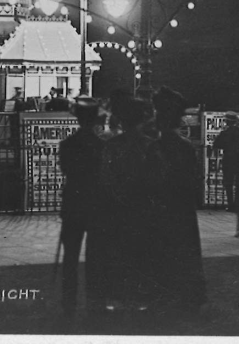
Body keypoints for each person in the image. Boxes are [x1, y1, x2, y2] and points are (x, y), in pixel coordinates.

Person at [146, 86, 207, 315]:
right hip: (181, 208)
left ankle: (165, 293)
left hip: (162, 207)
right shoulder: (185, 147)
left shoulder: (154, 147)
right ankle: (188, 294)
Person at [99, 94, 157, 313]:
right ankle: (141, 296)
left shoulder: (113, 145)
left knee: (119, 253)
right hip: (142, 205)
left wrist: (117, 196)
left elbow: (106, 177)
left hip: (119, 206)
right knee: (143, 253)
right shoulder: (150, 146)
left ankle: (118, 296)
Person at [57, 97, 106, 316]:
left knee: (70, 255)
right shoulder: (102, 146)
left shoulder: (67, 145)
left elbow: (67, 171)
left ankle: (69, 299)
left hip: (74, 202)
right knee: (96, 254)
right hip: (95, 203)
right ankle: (95, 297)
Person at [214, 112, 239, 211]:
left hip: (228, 160)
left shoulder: (225, 133)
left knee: (228, 183)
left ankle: (231, 204)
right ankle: (238, 203)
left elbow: (217, 144)